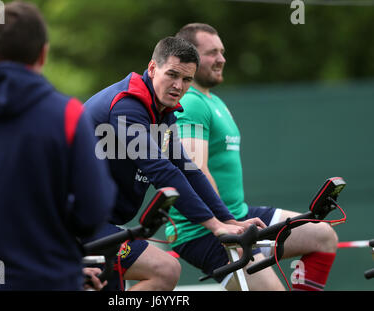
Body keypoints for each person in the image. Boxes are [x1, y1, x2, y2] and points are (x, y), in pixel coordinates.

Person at [0, 1, 115, 291]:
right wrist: (62, 251)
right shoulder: (67, 115)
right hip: (49, 279)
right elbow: (94, 208)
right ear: (43, 53)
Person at [82, 36, 266, 291]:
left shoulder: (162, 111)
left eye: (187, 79)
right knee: (165, 270)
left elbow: (186, 169)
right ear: (152, 68)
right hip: (71, 221)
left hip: (96, 222)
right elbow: (162, 171)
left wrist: (228, 220)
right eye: (172, 75)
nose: (178, 86)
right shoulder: (127, 105)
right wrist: (215, 226)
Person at [165, 23, 339, 291]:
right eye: (212, 53)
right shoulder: (191, 103)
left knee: (322, 235)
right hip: (205, 231)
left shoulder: (212, 101)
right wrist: (223, 224)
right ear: (190, 57)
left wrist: (234, 219)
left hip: (239, 216)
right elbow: (194, 169)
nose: (222, 59)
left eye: (222, 52)